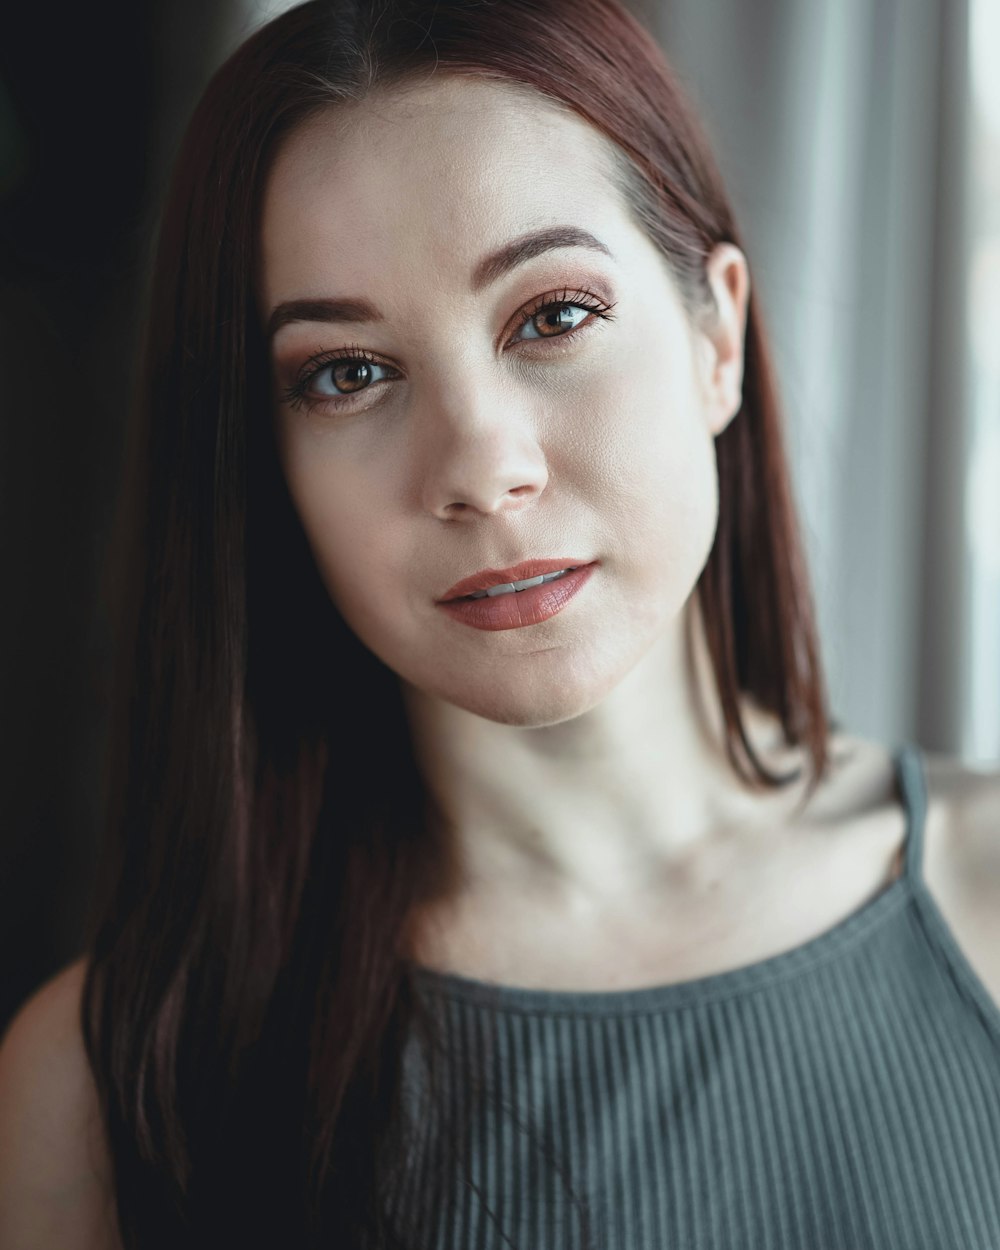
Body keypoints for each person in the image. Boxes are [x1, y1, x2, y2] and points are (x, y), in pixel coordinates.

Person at [1, 0, 998, 1246]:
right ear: (262, 461)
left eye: (553, 314)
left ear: (717, 336)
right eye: (346, 373)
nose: (478, 467)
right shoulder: (101, 1093)